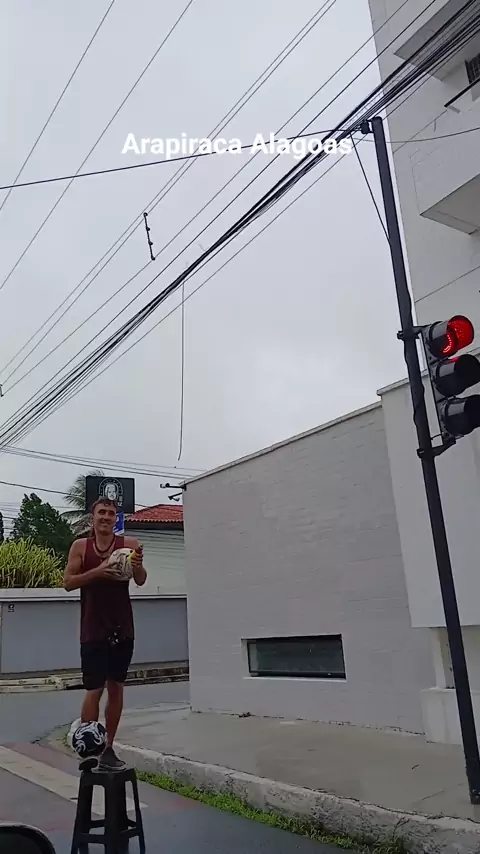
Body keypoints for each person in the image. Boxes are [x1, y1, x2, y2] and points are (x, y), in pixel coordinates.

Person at [64, 496, 147, 770]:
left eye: (111, 513)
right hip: (92, 626)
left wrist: (137, 565)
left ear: (115, 519)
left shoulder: (129, 545)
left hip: (122, 626)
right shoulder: (80, 547)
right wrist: (99, 571)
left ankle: (109, 748)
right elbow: (68, 582)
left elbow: (141, 579)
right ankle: (89, 748)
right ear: (93, 516)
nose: (106, 517)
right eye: (101, 512)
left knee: (116, 686)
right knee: (93, 688)